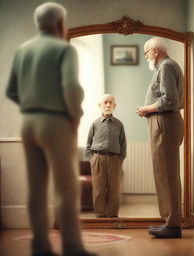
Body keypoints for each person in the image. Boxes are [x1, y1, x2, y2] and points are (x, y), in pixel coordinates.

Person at [6, 3, 96, 256]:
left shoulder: (23, 50)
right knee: (66, 188)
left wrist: (33, 103)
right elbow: (71, 88)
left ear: (38, 24)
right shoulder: (64, 50)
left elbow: (11, 90)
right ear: (60, 24)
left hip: (28, 123)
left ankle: (41, 246)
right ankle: (72, 247)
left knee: (36, 187)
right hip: (55, 122)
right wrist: (75, 115)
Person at [136, 37, 184, 238]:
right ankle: (170, 222)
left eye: (146, 53)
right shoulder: (168, 66)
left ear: (155, 51)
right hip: (165, 123)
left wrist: (147, 108)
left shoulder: (166, 67)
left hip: (164, 123)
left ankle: (172, 225)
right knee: (165, 173)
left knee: (167, 175)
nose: (146, 57)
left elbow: (169, 100)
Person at [86, 94, 126, 218]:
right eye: (105, 102)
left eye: (110, 102)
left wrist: (120, 159)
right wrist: (92, 159)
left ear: (114, 105)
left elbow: (123, 143)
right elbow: (88, 143)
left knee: (114, 190)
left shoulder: (119, 124)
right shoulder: (94, 124)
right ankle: (100, 215)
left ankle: (113, 215)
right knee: (98, 189)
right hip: (98, 159)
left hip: (115, 159)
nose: (108, 105)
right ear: (100, 106)